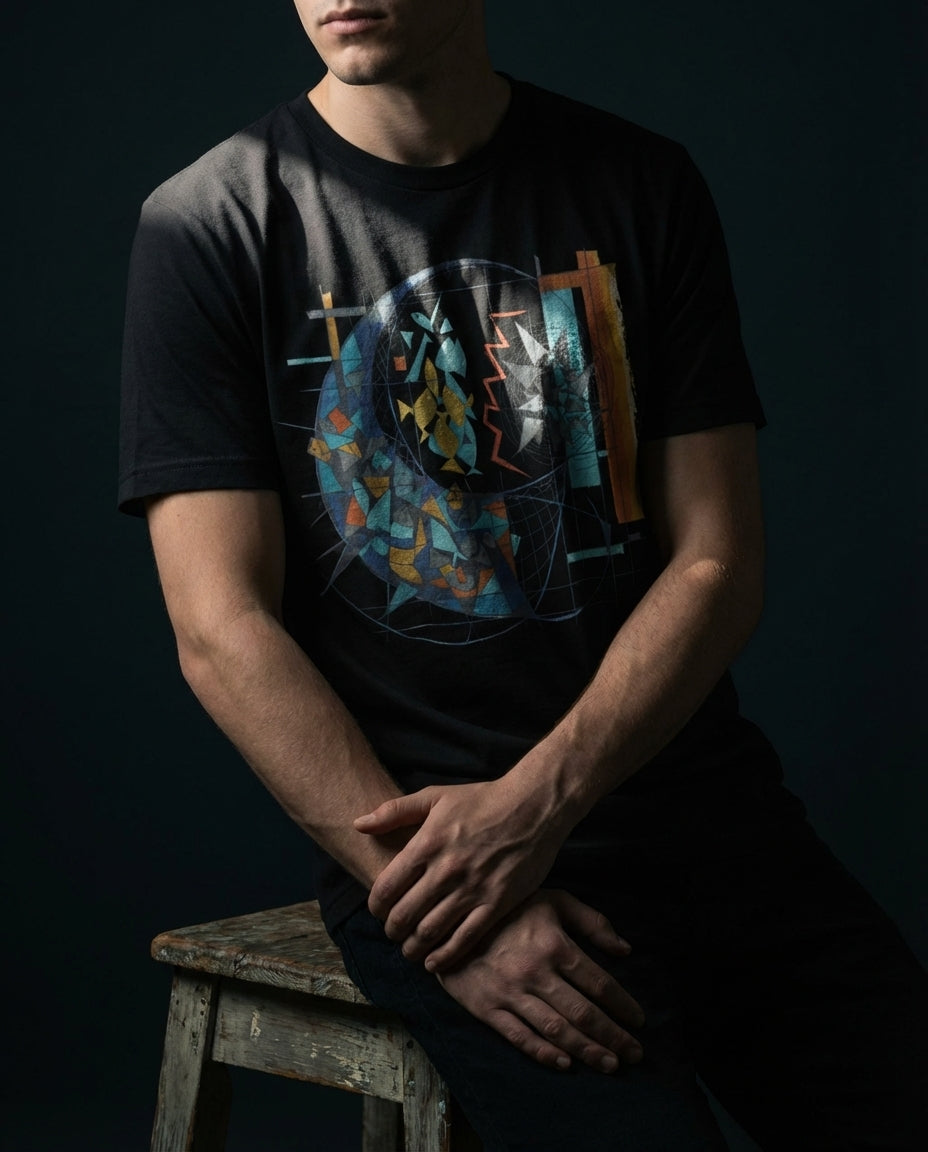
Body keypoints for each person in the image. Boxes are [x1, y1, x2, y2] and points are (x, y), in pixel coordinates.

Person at [119, 3, 928, 1148]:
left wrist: (537, 805)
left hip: (699, 815)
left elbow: (717, 560)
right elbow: (221, 627)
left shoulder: (639, 183)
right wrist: (451, 909)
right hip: (433, 861)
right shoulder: (212, 221)